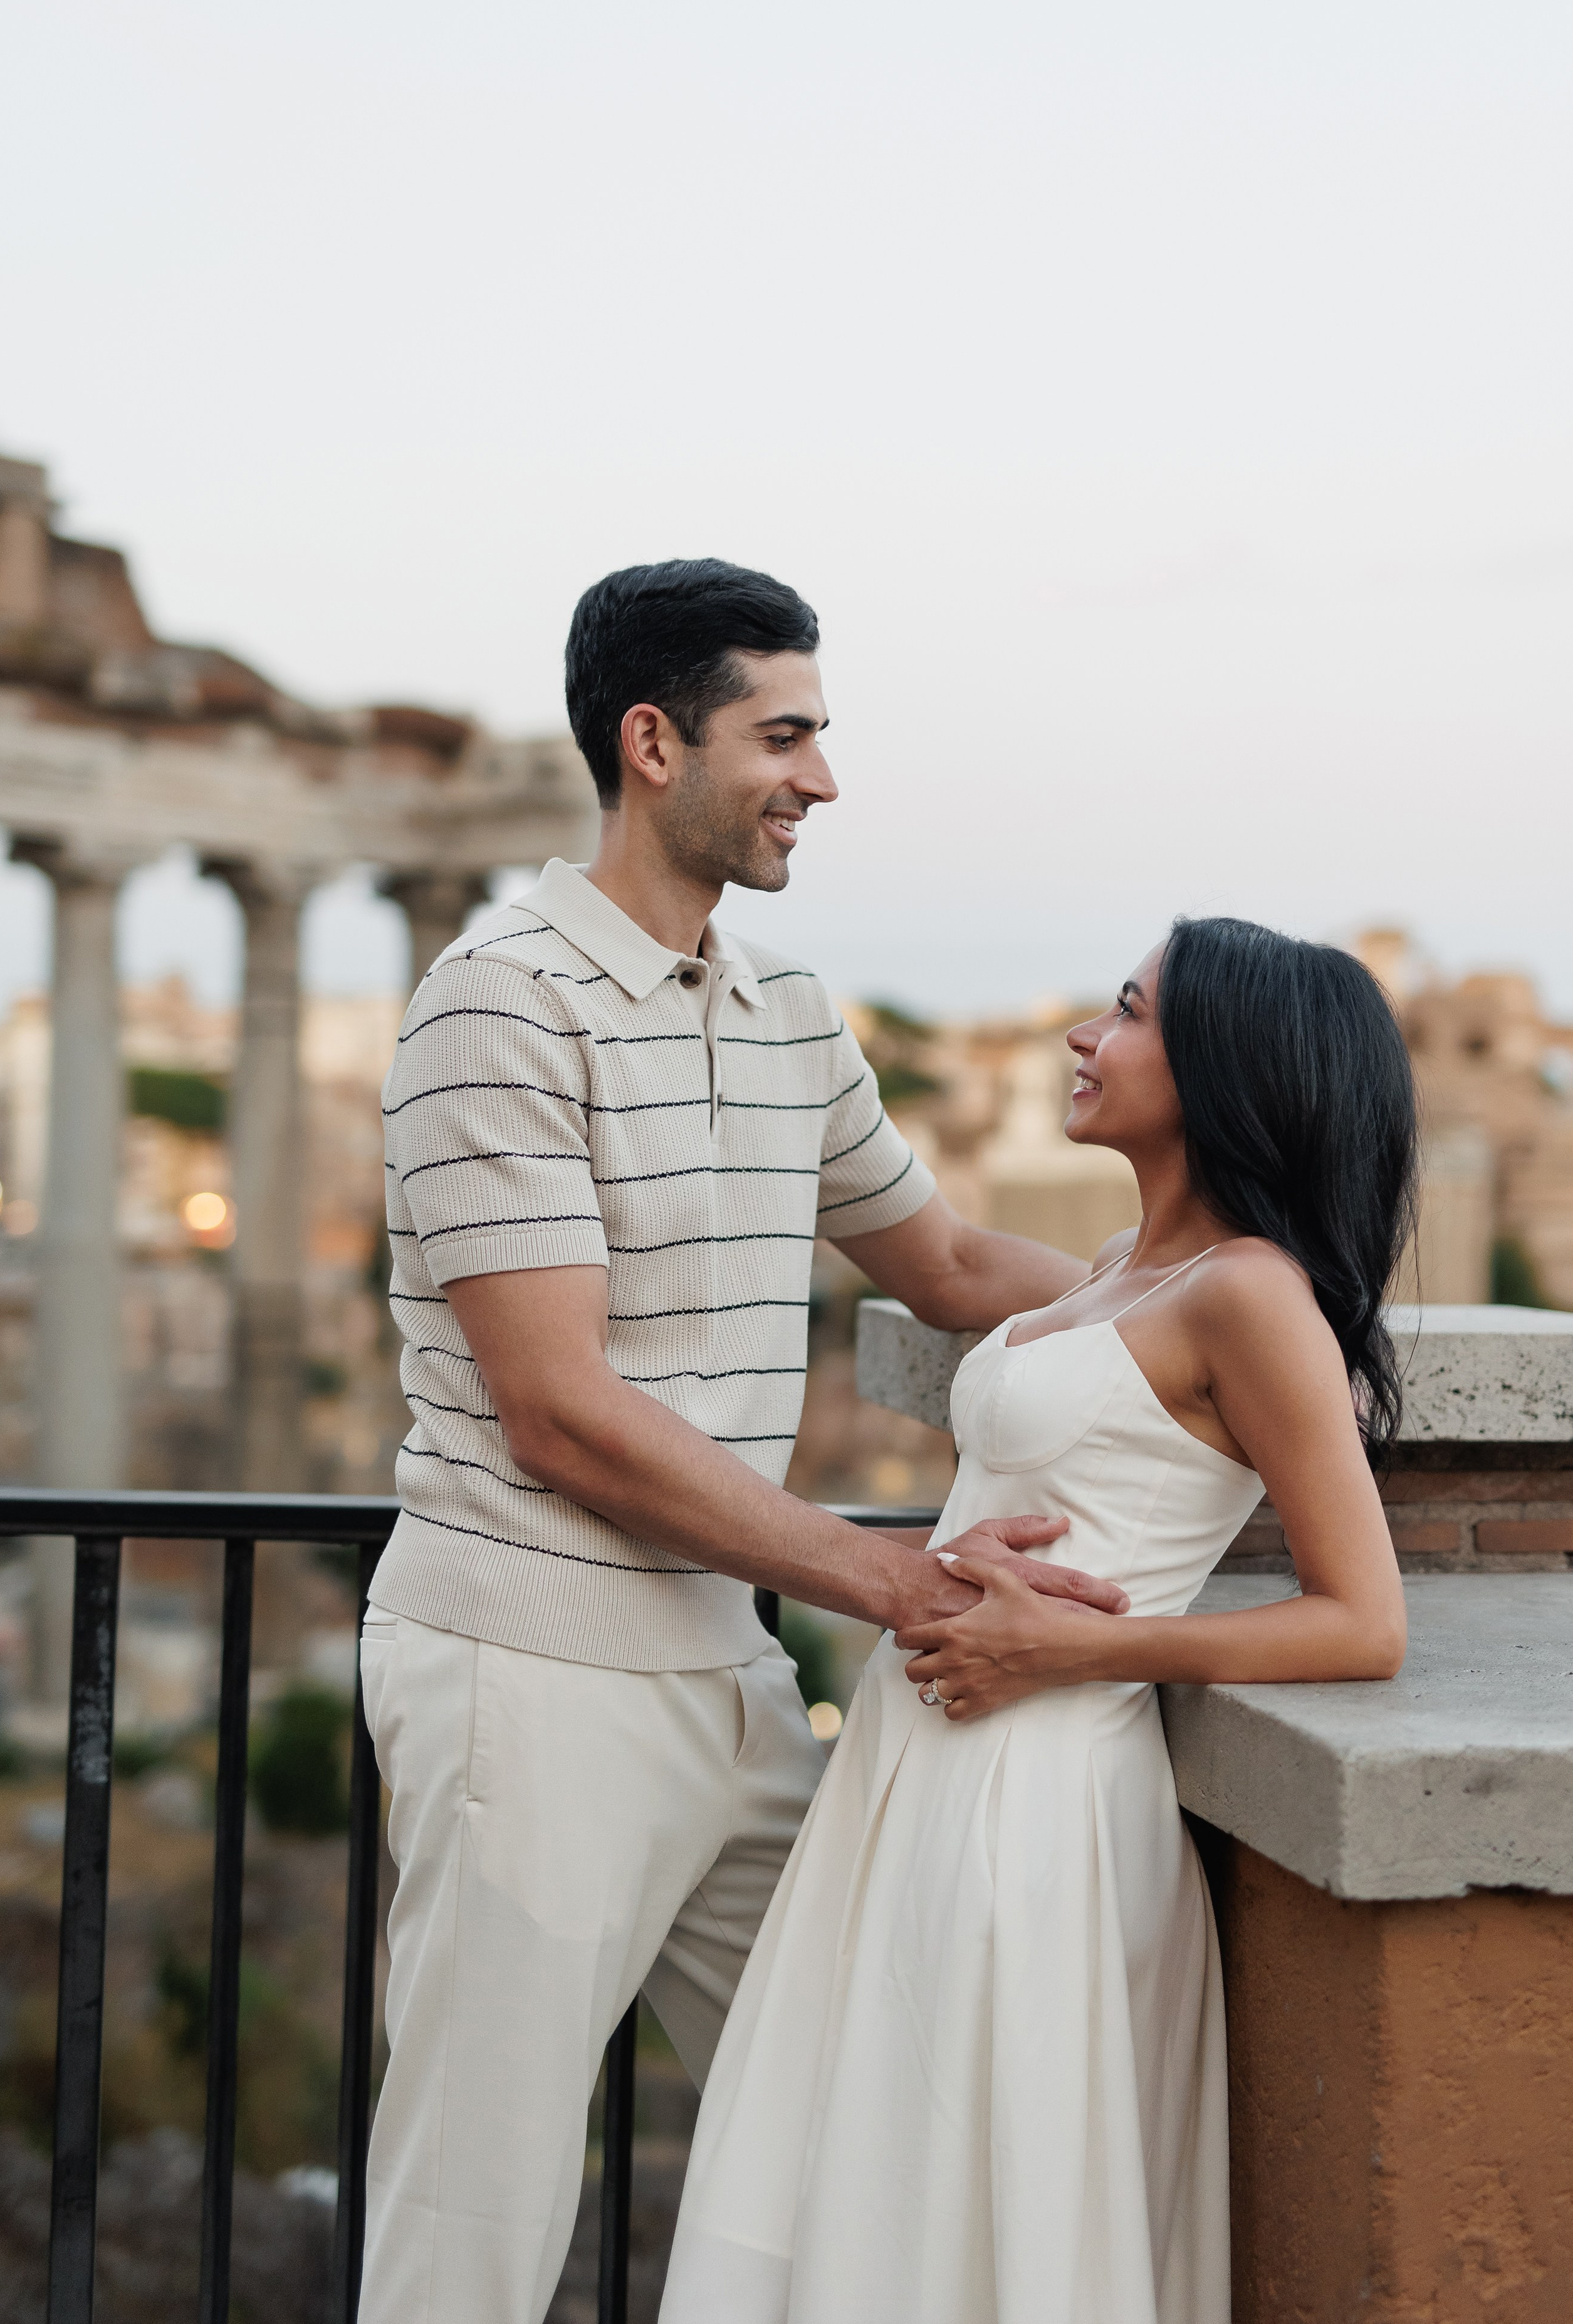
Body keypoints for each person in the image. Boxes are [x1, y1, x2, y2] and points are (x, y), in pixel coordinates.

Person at [355, 558, 1131, 2324]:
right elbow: (560, 1410)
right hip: (528, 1679)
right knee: (470, 2230)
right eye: (783, 737)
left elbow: (946, 1266)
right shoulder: (495, 1001)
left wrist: (1204, 1301)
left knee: (869, 2112)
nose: (820, 780)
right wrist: (886, 1576)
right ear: (654, 745)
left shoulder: (786, 1008)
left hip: (730, 1672)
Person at [658, 915, 1418, 2324]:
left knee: (972, 2186)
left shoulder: (1252, 1297)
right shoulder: (1123, 1264)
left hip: (1042, 1793)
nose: (1083, 1033)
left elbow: (1362, 1621)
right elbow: (974, 1317)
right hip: (918, 1765)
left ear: (1224, 1067)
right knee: (875, 2176)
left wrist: (1079, 1647)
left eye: (1126, 1011)